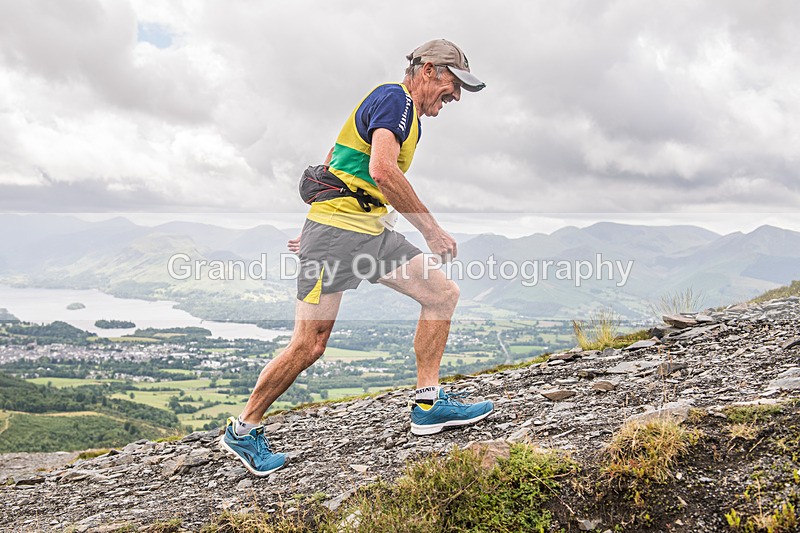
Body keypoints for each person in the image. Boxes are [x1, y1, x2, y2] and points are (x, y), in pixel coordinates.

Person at [219, 39, 494, 477]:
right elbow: (382, 171)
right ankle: (243, 427)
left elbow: (334, 160)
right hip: (337, 235)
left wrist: (317, 216)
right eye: (452, 83)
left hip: (366, 233)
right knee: (309, 345)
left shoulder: (402, 113)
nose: (456, 95)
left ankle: (427, 404)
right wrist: (430, 229)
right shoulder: (394, 99)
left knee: (442, 295)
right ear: (427, 71)